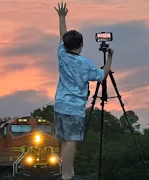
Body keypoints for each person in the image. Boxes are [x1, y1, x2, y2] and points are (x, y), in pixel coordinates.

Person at [53, 2, 114, 180]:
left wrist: (62, 17)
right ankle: (67, 175)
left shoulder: (61, 54)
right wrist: (109, 58)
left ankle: (66, 172)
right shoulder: (85, 64)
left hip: (60, 105)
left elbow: (62, 35)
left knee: (64, 139)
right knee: (72, 140)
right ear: (81, 45)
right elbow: (102, 75)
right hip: (74, 107)